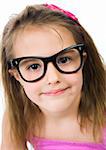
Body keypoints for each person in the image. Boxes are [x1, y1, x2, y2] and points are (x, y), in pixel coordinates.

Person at [0, 3, 106, 150]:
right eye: (34, 66)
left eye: (64, 60)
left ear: (83, 60)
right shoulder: (20, 115)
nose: (53, 78)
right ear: (17, 75)